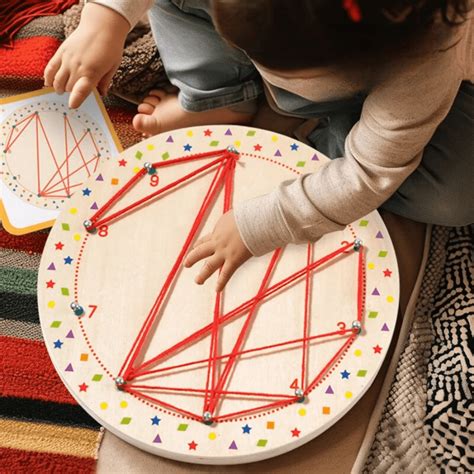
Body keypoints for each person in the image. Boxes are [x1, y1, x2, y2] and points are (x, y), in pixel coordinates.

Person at [44, 0, 473, 291]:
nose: (253, 58)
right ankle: (223, 98)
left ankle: (324, 130)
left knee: (455, 196)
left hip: (391, 97)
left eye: (285, 70)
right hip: (335, 57)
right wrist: (104, 21)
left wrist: (261, 223)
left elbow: (369, 174)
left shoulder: (425, 53)